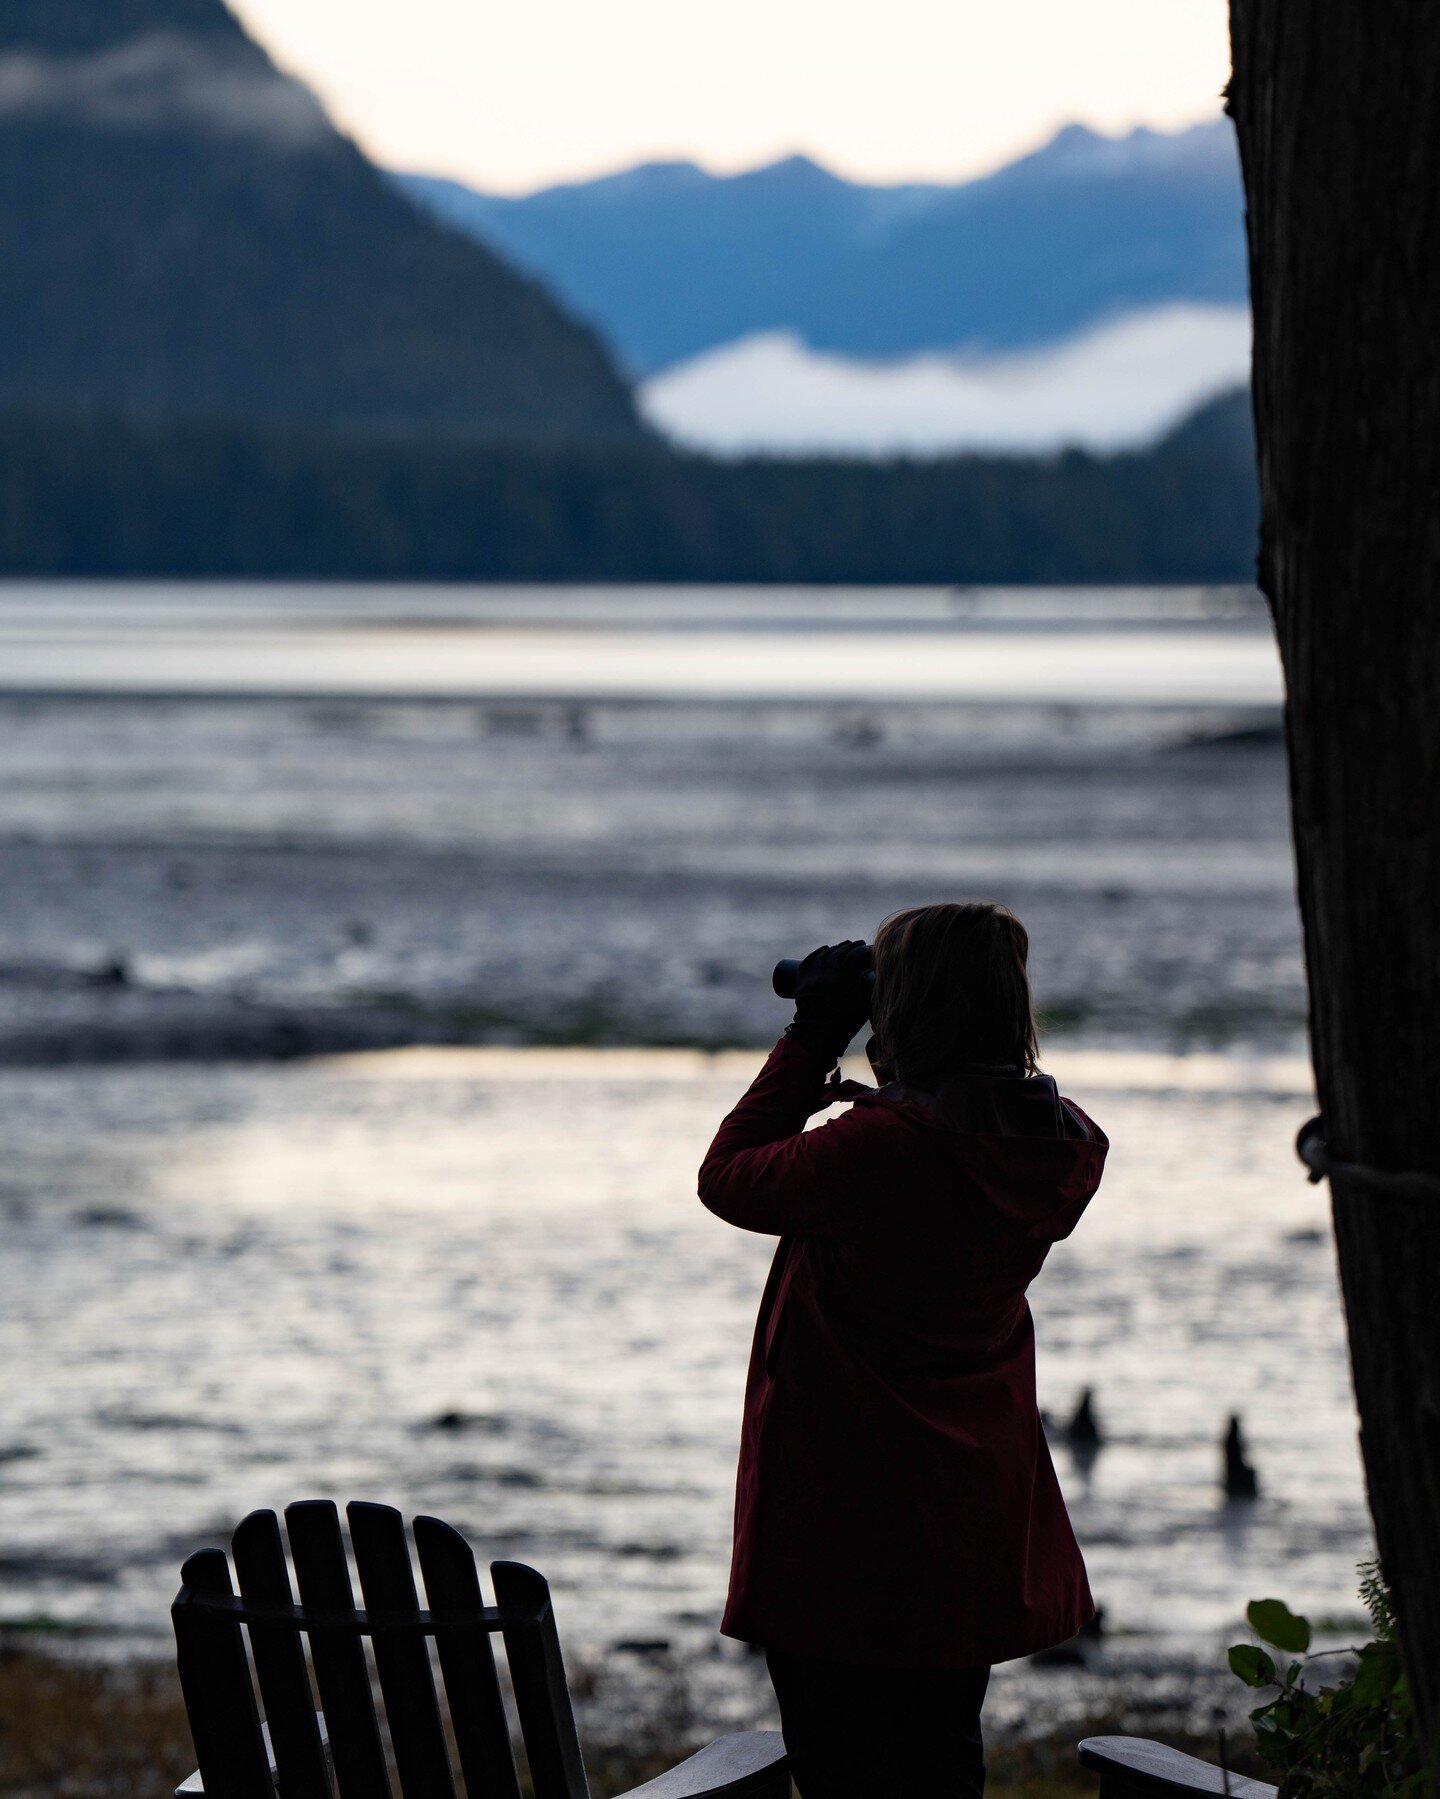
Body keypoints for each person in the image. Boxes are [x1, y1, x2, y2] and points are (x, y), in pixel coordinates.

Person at [698, 902, 1107, 1799]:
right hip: (966, 1514)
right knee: (941, 1759)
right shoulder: (1059, 1144)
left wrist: (811, 1035)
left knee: (840, 1769)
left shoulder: (879, 1150)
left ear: (905, 1013)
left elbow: (725, 1176)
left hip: (838, 1519)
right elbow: (975, 1103)